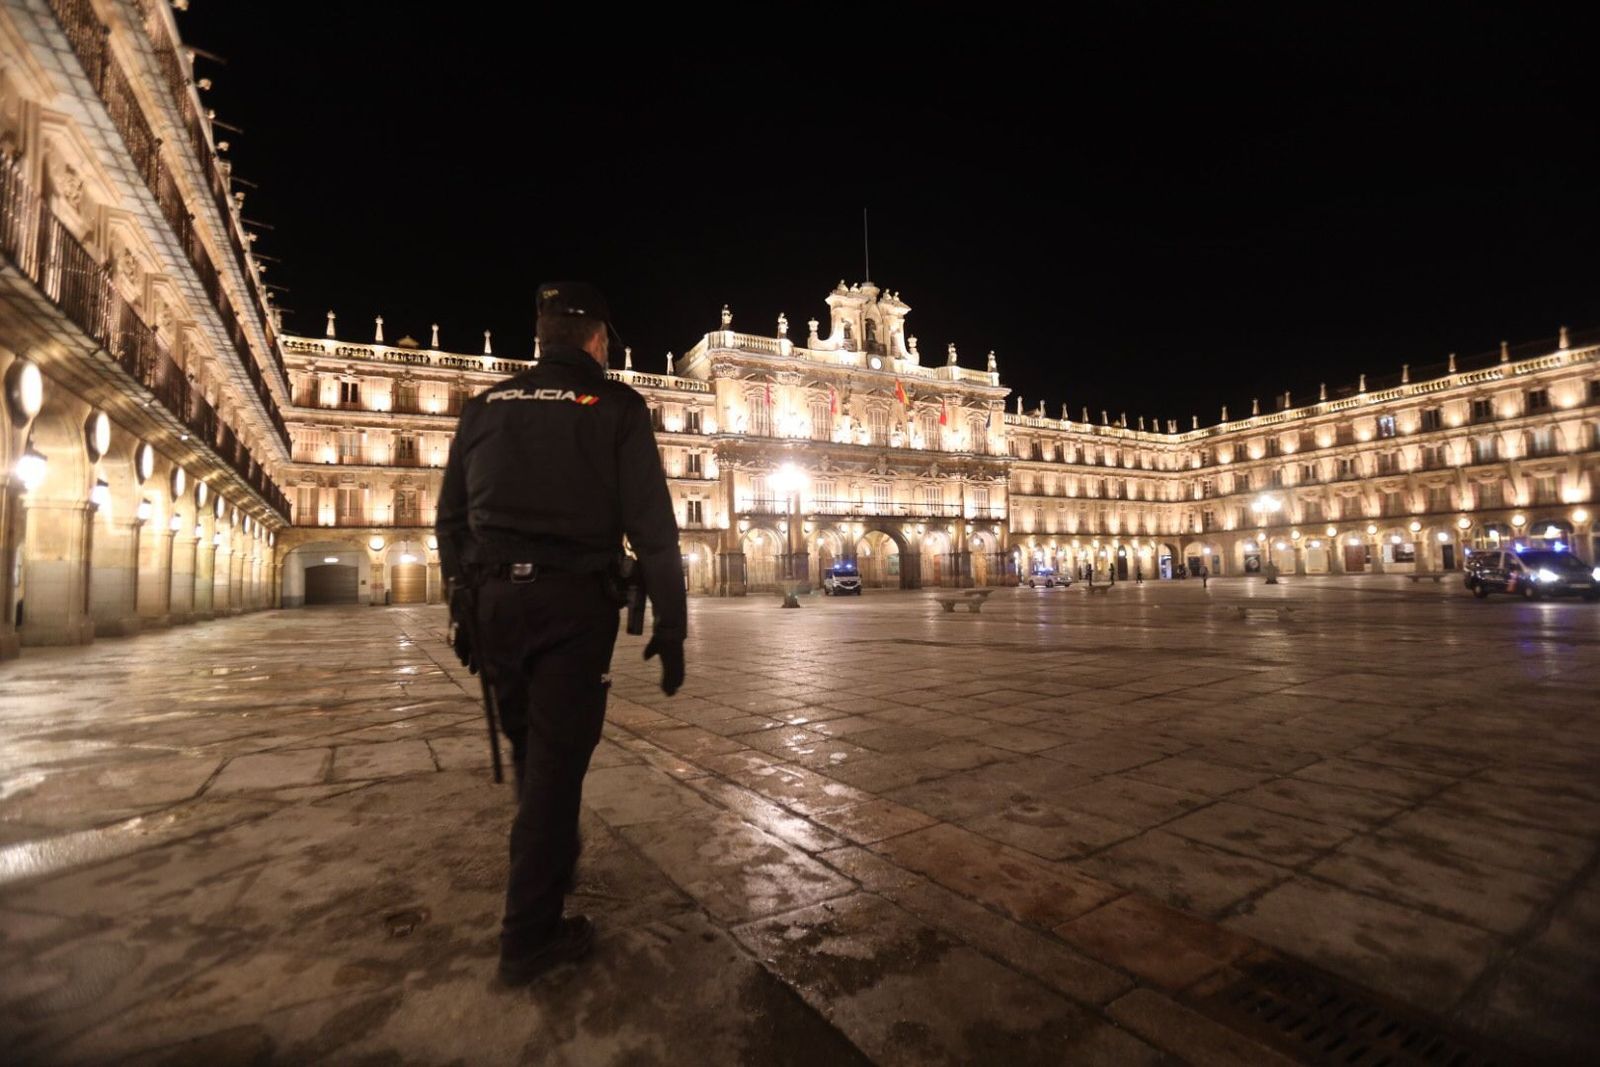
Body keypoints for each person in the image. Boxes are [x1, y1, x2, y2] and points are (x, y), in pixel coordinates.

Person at [435, 281, 686, 986]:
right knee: (555, 763)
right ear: (599, 342)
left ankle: (551, 850)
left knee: (527, 743)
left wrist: (462, 598)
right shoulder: (617, 407)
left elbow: (449, 520)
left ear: (540, 339)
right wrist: (672, 624)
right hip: (574, 607)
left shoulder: (485, 406)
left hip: (493, 607)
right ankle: (529, 935)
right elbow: (655, 533)